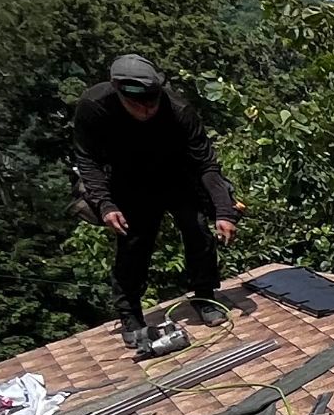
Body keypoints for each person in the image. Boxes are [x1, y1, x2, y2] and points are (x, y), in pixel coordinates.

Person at [70, 53, 240, 355]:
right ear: (119, 92)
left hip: (179, 177)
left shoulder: (179, 110)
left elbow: (206, 166)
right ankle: (130, 316)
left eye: (152, 102)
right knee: (134, 244)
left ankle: (203, 296)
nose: (147, 110)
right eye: (138, 104)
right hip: (129, 183)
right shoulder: (94, 106)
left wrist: (224, 211)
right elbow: (88, 160)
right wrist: (106, 204)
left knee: (198, 229)